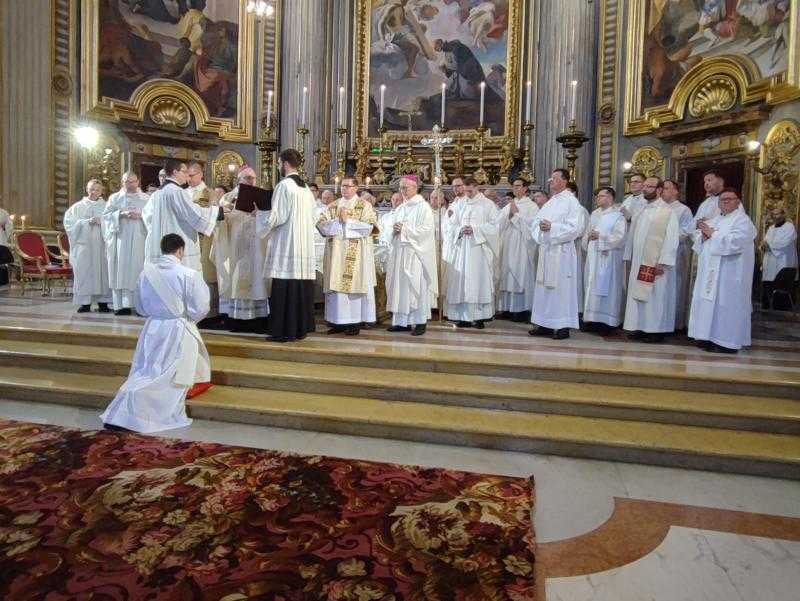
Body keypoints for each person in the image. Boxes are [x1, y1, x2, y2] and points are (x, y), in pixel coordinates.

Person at [100, 233, 211, 433]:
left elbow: (140, 306)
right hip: (177, 330)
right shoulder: (188, 274)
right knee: (167, 377)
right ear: (180, 250)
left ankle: (123, 407)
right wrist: (188, 318)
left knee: (148, 370)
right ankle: (136, 410)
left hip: (152, 328)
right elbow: (201, 307)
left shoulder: (146, 273)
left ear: (163, 249)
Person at [256, 148, 317, 342]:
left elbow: (277, 216)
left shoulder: (284, 186)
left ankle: (283, 331)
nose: (277, 166)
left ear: (285, 164)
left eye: (278, 163)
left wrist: (260, 214)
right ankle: (299, 329)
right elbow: (314, 216)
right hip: (303, 245)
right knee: (298, 286)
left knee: (284, 285)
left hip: (287, 243)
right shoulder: (306, 188)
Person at [689, 188, 756, 353]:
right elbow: (699, 241)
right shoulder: (715, 219)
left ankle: (727, 342)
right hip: (710, 274)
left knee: (726, 305)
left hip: (730, 274)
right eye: (722, 200)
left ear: (738, 201)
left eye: (729, 199)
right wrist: (703, 236)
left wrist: (712, 234)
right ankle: (707, 337)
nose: (725, 202)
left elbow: (736, 242)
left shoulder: (743, 221)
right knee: (707, 303)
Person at [317, 176, 378, 336]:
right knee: (335, 287)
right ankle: (337, 322)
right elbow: (321, 225)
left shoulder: (365, 206)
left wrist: (347, 222)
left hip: (356, 255)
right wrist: (337, 222)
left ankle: (353, 323)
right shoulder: (333, 206)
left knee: (353, 288)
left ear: (356, 188)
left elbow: (370, 227)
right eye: (343, 186)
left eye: (348, 186)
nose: (344, 189)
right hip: (335, 254)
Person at [529, 169, 585, 340]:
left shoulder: (571, 202)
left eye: (554, 178)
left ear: (565, 181)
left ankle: (562, 326)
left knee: (561, 289)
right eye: (551, 178)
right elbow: (536, 222)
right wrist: (540, 227)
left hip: (562, 253)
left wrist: (552, 228)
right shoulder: (551, 202)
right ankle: (545, 323)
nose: (550, 181)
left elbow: (576, 228)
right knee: (544, 288)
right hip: (547, 251)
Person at [622, 177, 680, 343]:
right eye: (645, 186)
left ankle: (654, 330)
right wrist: (629, 256)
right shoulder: (641, 209)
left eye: (650, 186)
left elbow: (671, 239)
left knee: (654, 295)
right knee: (638, 293)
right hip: (638, 260)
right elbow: (633, 235)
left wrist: (663, 261)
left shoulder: (667, 212)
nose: (645, 189)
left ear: (660, 190)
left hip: (655, 261)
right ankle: (638, 326)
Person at [142, 159, 223, 273]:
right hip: (177, 243)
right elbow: (193, 213)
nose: (187, 176)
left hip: (162, 244)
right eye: (184, 172)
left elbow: (147, 217)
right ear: (175, 172)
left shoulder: (157, 193)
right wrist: (217, 212)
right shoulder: (176, 191)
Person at [383, 176, 437, 335]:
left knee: (415, 287)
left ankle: (419, 322)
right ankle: (401, 322)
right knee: (399, 287)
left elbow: (426, 231)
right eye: (400, 188)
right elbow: (388, 229)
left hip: (415, 254)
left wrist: (405, 230)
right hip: (399, 252)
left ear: (415, 188)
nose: (402, 191)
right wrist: (393, 230)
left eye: (405, 187)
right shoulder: (401, 207)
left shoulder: (423, 207)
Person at [444, 177, 499, 328]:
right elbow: (450, 225)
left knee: (478, 281)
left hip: (478, 250)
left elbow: (495, 226)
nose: (467, 194)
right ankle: (463, 317)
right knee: (462, 282)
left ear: (477, 188)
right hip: (462, 249)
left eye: (470, 191)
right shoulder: (460, 204)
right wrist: (460, 230)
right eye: (465, 191)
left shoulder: (488, 205)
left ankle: (480, 317)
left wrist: (475, 230)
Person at [102, 172, 148, 315]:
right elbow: (105, 217)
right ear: (122, 183)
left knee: (137, 269)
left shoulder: (146, 199)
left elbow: (153, 216)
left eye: (133, 182)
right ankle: (121, 306)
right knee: (120, 270)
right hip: (120, 240)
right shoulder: (115, 198)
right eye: (127, 182)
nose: (130, 185)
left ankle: (139, 306)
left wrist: (141, 215)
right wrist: (120, 214)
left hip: (140, 239)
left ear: (138, 182)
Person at [64, 179, 112, 313]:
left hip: (102, 246)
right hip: (84, 247)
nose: (94, 192)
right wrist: (86, 223)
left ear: (102, 191)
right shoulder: (77, 207)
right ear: (87, 189)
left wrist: (102, 222)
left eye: (97, 189)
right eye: (91, 189)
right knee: (84, 274)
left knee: (104, 274)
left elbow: (114, 224)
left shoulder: (107, 207)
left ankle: (104, 302)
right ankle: (85, 303)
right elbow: (69, 224)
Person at [582, 187, 626, 331]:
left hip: (609, 258)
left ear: (610, 198)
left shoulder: (618, 216)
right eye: (597, 196)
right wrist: (588, 238)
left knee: (608, 288)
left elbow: (620, 238)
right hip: (593, 255)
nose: (597, 199)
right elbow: (587, 232)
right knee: (591, 286)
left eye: (601, 196)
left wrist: (600, 238)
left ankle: (607, 323)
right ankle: (590, 320)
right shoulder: (594, 213)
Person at [496, 178, 539, 322]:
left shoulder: (532, 206)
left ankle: (522, 310)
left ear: (525, 188)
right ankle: (507, 308)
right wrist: (510, 216)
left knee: (520, 273)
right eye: (513, 186)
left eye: (518, 186)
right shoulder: (509, 205)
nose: (515, 188)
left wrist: (516, 216)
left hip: (522, 245)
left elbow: (532, 226)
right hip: (508, 242)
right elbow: (499, 222)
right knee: (507, 273)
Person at [662, 179, 694, 331]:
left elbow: (687, 231)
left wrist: (666, 237)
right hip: (657, 253)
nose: (663, 191)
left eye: (667, 188)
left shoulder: (683, 210)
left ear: (676, 191)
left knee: (674, 286)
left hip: (675, 253)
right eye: (662, 188)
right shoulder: (657, 208)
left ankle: (674, 323)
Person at [762, 206, 798, 308]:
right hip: (770, 262)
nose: (775, 216)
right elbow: (766, 241)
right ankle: (768, 307)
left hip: (783, 262)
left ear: (783, 215)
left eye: (777, 214)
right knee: (769, 284)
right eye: (773, 214)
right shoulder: (771, 228)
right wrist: (764, 246)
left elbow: (784, 243)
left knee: (781, 288)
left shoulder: (789, 227)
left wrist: (770, 246)